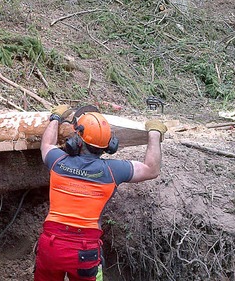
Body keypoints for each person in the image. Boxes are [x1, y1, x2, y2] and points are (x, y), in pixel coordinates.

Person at [34, 105, 167, 281]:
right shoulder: (113, 171)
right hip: (85, 251)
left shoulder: (58, 161)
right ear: (110, 145)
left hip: (51, 246)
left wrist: (55, 118)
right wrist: (154, 132)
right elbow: (151, 169)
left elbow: (46, 144)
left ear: (77, 142)